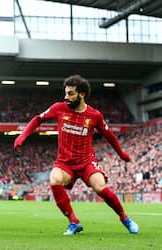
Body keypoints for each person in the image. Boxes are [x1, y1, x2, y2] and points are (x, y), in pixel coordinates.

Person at [14, 75, 139, 235]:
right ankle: (73, 222)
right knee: (54, 179)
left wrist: (122, 154)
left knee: (100, 187)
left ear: (82, 94)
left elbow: (110, 136)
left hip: (87, 162)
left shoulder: (94, 116)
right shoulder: (59, 108)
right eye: (66, 93)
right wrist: (22, 136)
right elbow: (38, 119)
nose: (66, 97)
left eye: (71, 93)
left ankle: (125, 218)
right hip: (65, 163)